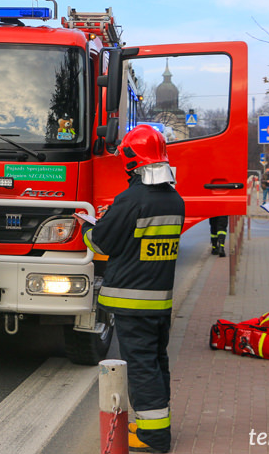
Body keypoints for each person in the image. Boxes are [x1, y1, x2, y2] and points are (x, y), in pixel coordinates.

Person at [76, 124, 184, 454]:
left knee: (140, 366)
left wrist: (89, 226)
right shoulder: (174, 200)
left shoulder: (131, 199)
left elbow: (102, 242)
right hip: (159, 301)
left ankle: (153, 438)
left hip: (132, 301)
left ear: (132, 159)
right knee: (156, 361)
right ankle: (157, 424)